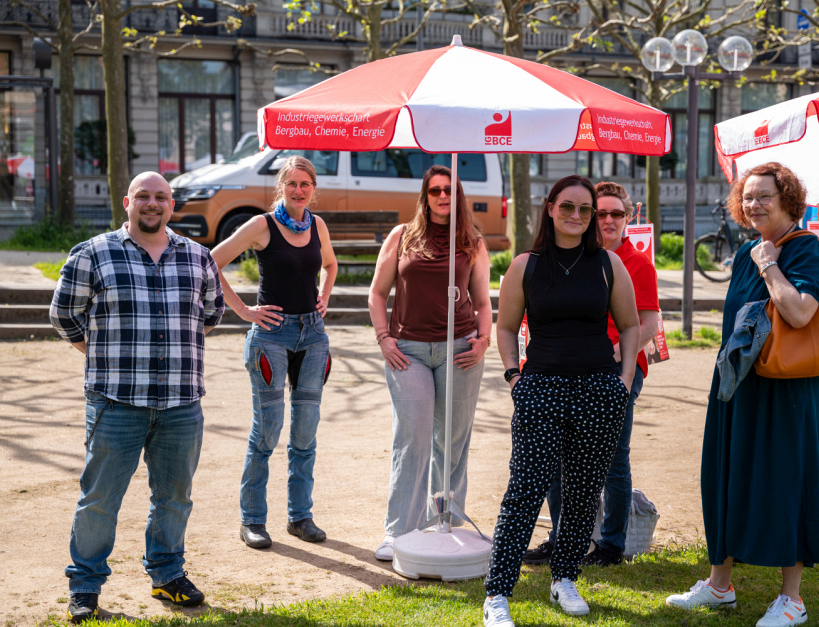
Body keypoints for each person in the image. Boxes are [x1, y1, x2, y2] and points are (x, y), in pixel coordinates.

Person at [50, 172, 225, 623]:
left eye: (161, 197)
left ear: (172, 205)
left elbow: (210, 314)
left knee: (174, 497)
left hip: (181, 404)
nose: (152, 203)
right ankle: (85, 585)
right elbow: (64, 313)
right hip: (116, 400)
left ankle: (167, 576)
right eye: (143, 196)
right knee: (100, 499)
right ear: (127, 202)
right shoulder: (93, 253)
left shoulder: (199, 257)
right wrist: (100, 354)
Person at [666, 162, 819, 627]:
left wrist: (771, 264)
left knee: (787, 479)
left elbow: (798, 314)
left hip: (788, 390)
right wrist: (759, 256)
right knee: (725, 474)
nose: (754, 204)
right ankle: (720, 586)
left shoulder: (805, 249)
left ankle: (792, 600)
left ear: (788, 199)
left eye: (765, 196)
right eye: (748, 197)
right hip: (738, 384)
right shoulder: (745, 253)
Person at [482, 175, 641, 627]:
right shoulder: (525, 266)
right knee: (525, 492)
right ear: (550, 208)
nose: (576, 216)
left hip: (598, 389)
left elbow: (630, 325)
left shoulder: (609, 264)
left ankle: (564, 576)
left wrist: (623, 380)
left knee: (583, 492)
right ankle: (498, 592)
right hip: (541, 389)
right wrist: (515, 377)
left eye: (585, 210)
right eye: (567, 206)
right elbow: (506, 327)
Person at [523, 182, 660, 568]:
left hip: (616, 371)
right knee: (555, 458)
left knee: (614, 459)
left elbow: (648, 322)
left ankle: (612, 545)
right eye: (600, 213)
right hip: (567, 369)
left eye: (617, 214)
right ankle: (561, 538)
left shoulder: (636, 263)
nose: (608, 221)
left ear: (629, 217)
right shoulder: (568, 258)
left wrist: (622, 362)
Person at [210, 156, 338, 550]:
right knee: (267, 433)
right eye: (292, 183)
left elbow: (330, 265)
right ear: (280, 186)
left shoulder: (317, 225)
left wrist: (325, 296)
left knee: (305, 433)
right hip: (271, 337)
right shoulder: (263, 226)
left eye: (306, 184)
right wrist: (244, 310)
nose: (299, 190)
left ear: (313, 189)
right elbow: (211, 262)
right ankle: (252, 521)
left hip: (313, 337)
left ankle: (300, 518)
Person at [368, 164, 491, 560]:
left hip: (461, 349)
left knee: (453, 440)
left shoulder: (471, 240)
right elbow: (377, 294)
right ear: (425, 196)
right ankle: (399, 532)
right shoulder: (401, 237)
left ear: (458, 197)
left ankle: (446, 522)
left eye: (449, 190)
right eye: (435, 190)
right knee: (413, 439)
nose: (442, 197)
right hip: (409, 351)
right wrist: (385, 339)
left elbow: (485, 301)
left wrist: (484, 341)